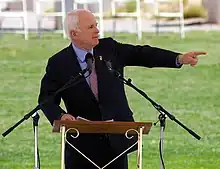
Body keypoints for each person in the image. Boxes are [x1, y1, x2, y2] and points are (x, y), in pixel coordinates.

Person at [38, 9, 207, 169]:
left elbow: (142, 54)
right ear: (74, 34)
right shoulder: (58, 63)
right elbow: (46, 99)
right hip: (81, 144)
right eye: (91, 27)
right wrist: (61, 116)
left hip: (116, 140)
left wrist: (178, 58)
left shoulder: (109, 48)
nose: (97, 30)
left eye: (96, 25)